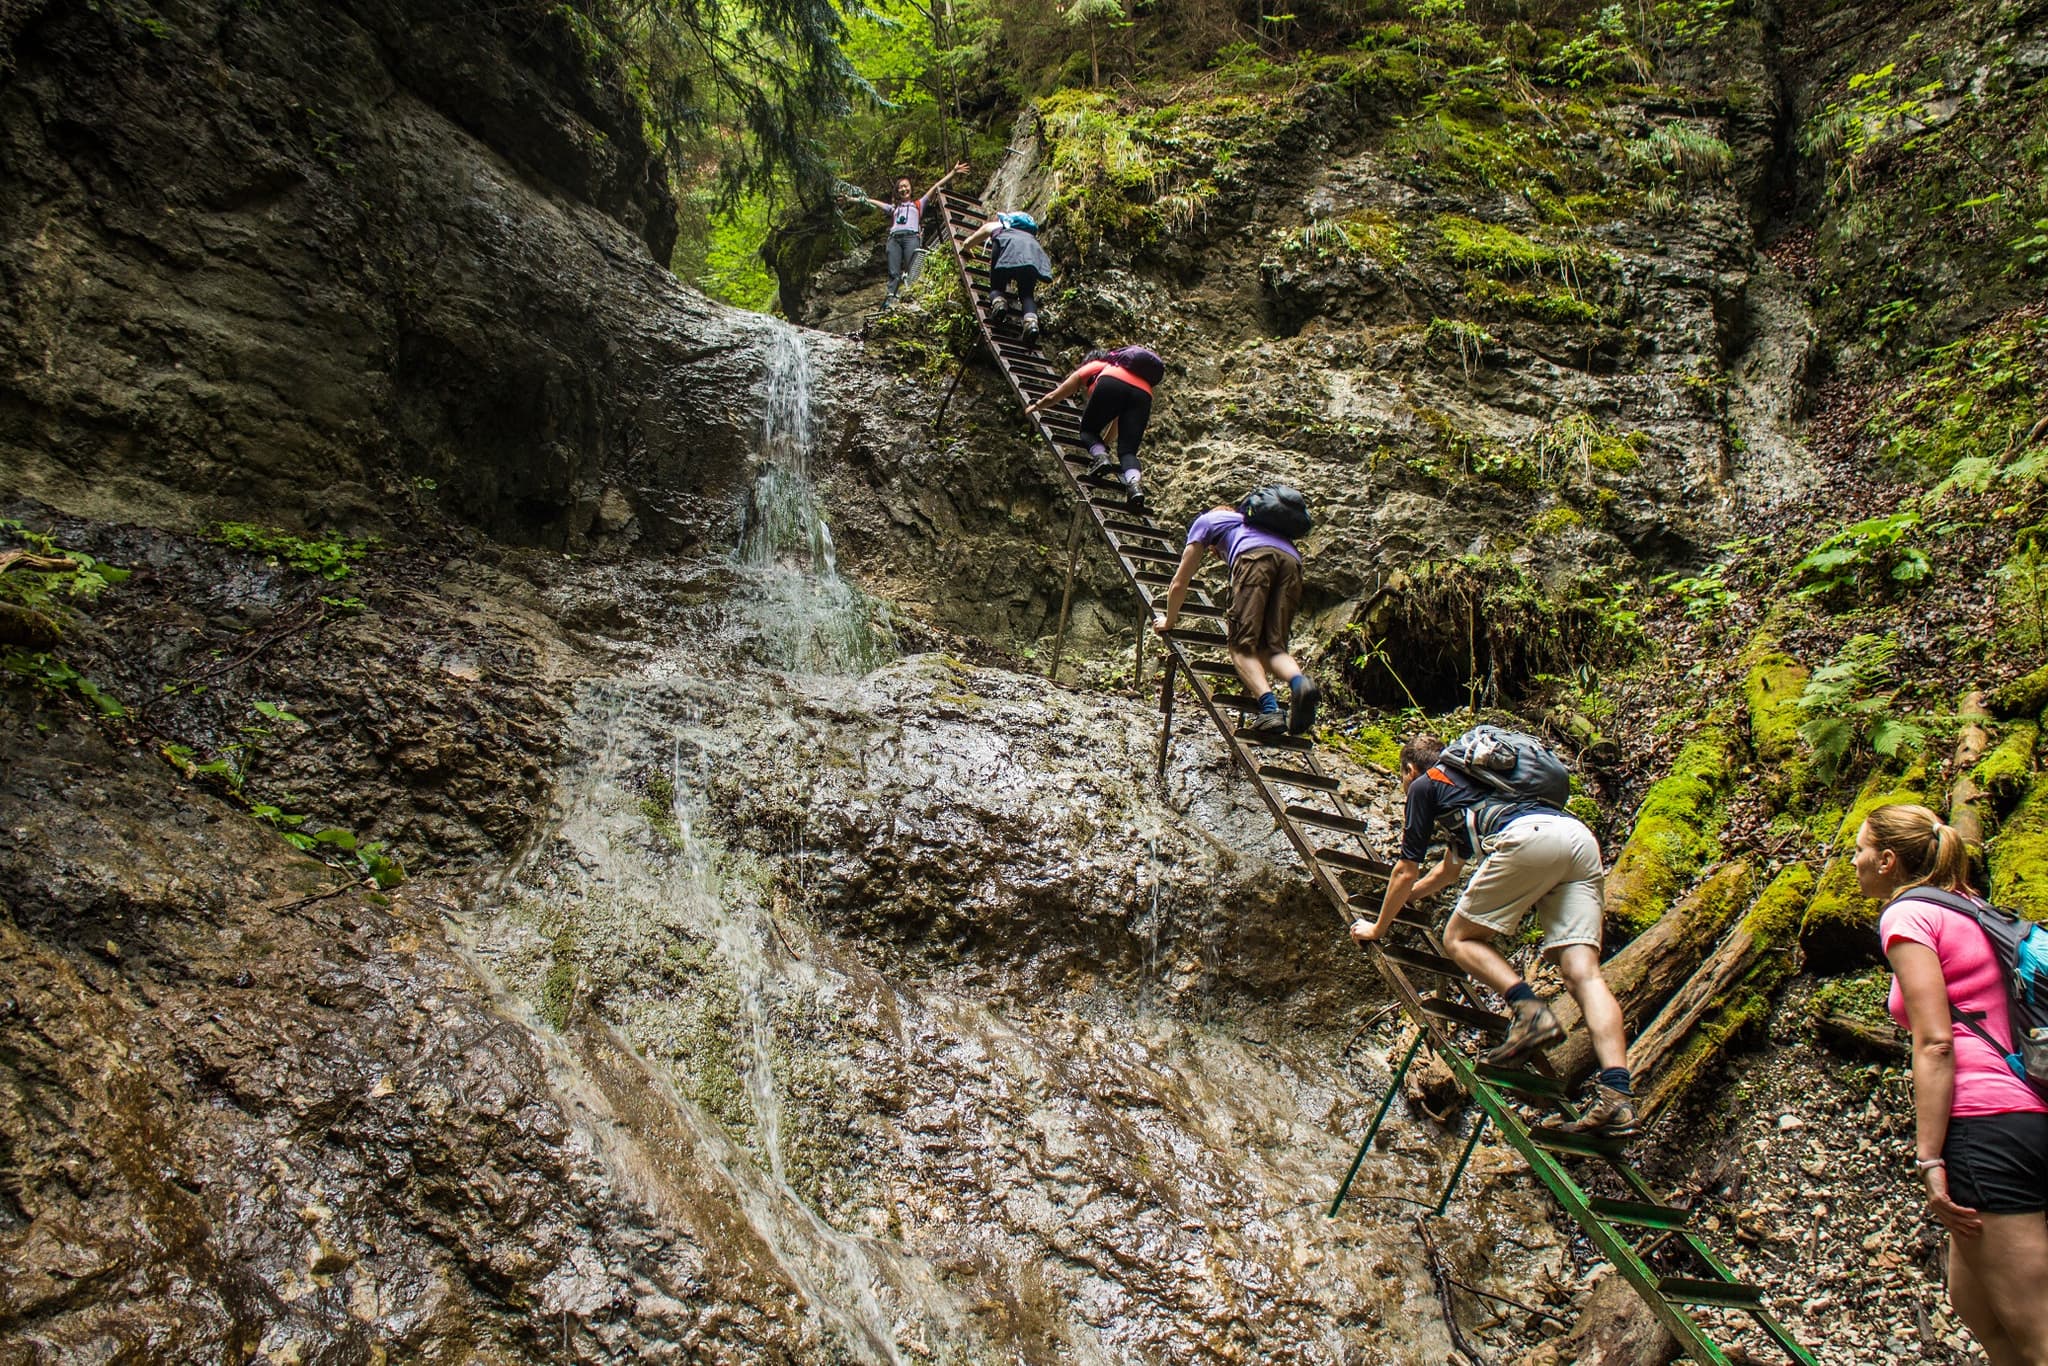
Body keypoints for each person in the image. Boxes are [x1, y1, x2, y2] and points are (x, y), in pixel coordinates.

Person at [1352, 735, 1636, 1136]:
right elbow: (1446, 873)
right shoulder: (1480, 788)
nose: (1404, 788)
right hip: (1577, 839)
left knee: (1460, 939)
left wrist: (1378, 927)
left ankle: (1530, 1011)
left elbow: (1405, 870)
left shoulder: (1423, 784)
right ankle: (1617, 1098)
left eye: (1403, 780)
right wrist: (1400, 903)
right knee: (1583, 975)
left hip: (1530, 838)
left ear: (1410, 771)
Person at [1859, 803, 2048, 1365]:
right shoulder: (1972, 909)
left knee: (2035, 1330)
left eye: (1862, 850)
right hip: (2027, 1116)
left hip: (1986, 1128)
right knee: (1976, 1307)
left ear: (1889, 861)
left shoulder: (1908, 916)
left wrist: (1928, 1157)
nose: (1854, 861)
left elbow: (1936, 1041)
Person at [1150, 503, 1317, 736]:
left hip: (1255, 559)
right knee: (1273, 649)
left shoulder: (1207, 521)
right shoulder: (1254, 524)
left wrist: (1169, 620)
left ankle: (1270, 710)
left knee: (1242, 647)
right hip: (1292, 562)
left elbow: (1179, 583)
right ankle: (1301, 684)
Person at [1024, 346, 1165, 510]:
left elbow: (1055, 395)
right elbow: (1118, 422)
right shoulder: (1132, 374)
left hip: (1112, 382)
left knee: (1088, 431)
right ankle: (1134, 485)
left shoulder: (1096, 366)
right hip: (1144, 394)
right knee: (1128, 452)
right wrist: (1103, 447)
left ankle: (1101, 458)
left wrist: (1036, 406)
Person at [849, 162, 970, 306]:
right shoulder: (893, 208)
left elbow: (936, 186)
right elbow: (871, 202)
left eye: (906, 186)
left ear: (910, 189)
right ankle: (890, 298)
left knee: (912, 270)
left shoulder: (918, 204)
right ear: (897, 191)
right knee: (894, 272)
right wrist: (851, 199)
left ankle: (912, 297)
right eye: (900, 187)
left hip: (911, 237)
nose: (903, 189)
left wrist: (953, 173)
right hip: (894, 239)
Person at [960, 212, 1054, 337]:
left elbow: (968, 243)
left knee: (997, 287)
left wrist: (966, 248)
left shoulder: (998, 226)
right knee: (1027, 295)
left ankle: (999, 304)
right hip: (1032, 255)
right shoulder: (1030, 237)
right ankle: (1031, 324)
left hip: (1005, 248)